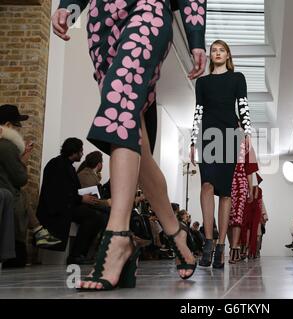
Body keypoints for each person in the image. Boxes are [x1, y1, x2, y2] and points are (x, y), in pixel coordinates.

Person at [51, 0, 207, 290]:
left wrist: (196, 36)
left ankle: (118, 234)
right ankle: (176, 233)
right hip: (101, 22)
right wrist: (69, 6)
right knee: (135, 141)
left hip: (149, 11)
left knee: (120, 106)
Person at [190, 39, 253, 269]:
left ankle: (221, 248)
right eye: (213, 50)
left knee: (226, 193)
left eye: (221, 50)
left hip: (229, 135)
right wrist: (192, 141)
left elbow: (243, 105)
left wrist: (246, 131)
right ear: (210, 56)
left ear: (228, 55)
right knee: (206, 185)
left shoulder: (238, 78)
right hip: (207, 134)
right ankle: (208, 240)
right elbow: (198, 110)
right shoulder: (202, 83)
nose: (217, 53)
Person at [0, 105, 61, 258]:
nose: (19, 130)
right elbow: (21, 178)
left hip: (8, 193)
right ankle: (39, 231)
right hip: (7, 195)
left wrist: (24, 155)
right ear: (7, 125)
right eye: (16, 126)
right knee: (22, 195)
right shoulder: (6, 146)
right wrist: (24, 157)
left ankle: (39, 231)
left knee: (23, 195)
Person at [36, 138, 104, 265]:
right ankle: (75, 255)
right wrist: (81, 198)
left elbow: (70, 190)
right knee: (94, 217)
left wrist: (84, 197)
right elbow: (59, 192)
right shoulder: (57, 164)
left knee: (96, 216)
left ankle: (79, 254)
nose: (82, 154)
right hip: (56, 208)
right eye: (81, 151)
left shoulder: (67, 166)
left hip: (66, 204)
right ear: (74, 152)